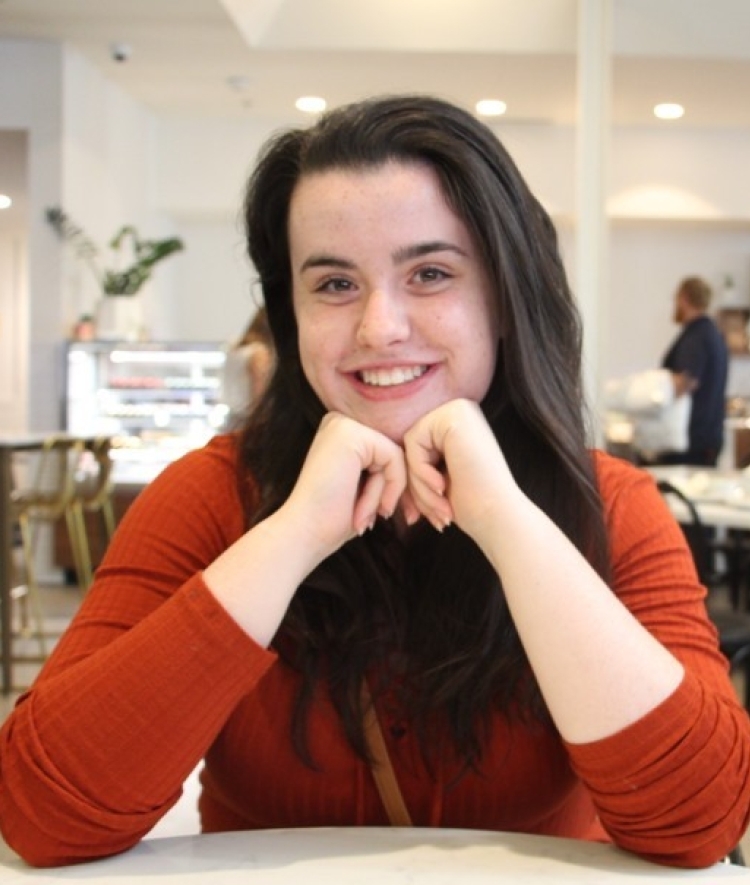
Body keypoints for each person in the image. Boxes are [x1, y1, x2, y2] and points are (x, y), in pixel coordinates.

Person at [1, 95, 748, 870]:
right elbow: (43, 816)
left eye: (430, 273)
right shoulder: (210, 495)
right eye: (333, 284)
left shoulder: (613, 507)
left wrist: (508, 523)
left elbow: (698, 824)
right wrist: (289, 536)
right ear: (288, 315)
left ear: (504, 299)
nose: (378, 327)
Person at [658, 276, 728, 466]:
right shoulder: (712, 332)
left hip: (692, 441)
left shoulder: (696, 336)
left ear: (684, 298)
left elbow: (687, 381)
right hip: (706, 437)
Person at [221, 306, 275, 429]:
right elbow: (259, 396)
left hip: (231, 417)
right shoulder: (259, 353)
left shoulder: (235, 348)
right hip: (248, 420)